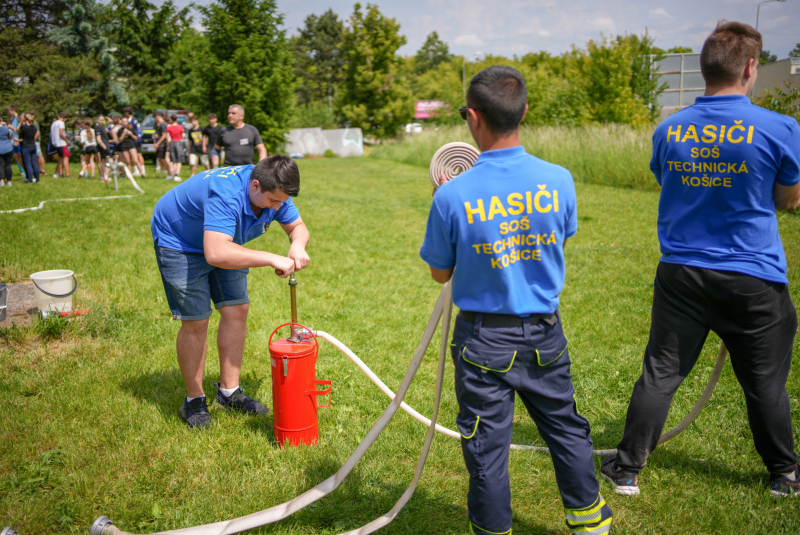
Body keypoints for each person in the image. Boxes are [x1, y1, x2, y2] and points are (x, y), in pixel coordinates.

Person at [601, 21, 800, 500]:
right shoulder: (781, 128)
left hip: (682, 275)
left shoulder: (669, 128)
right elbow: (790, 200)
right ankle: (785, 475)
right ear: (751, 67)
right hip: (753, 279)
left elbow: (668, 180)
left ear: (704, 67)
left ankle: (626, 469)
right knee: (765, 383)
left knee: (661, 373)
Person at [420, 66, 612, 535]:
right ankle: (589, 523)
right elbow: (556, 246)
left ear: (471, 117)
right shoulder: (559, 179)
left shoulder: (452, 195)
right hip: (545, 332)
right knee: (566, 429)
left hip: (482, 340)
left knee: (486, 446)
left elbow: (439, 272)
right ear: (524, 112)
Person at [150, 155, 311, 430]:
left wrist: (297, 245)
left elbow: (297, 226)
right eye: (274, 201)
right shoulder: (226, 194)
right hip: (179, 241)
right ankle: (194, 400)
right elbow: (215, 253)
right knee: (197, 320)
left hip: (226, 240)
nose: (278, 207)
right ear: (255, 185)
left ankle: (229, 392)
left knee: (237, 310)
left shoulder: (276, 188)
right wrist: (272, 258)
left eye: (282, 201)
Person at [123, 106, 146, 177]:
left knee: (136, 156)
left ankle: (139, 171)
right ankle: (141, 170)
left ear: (127, 113)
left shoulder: (131, 120)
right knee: (138, 155)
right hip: (138, 139)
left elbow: (130, 128)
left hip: (135, 140)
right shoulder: (134, 119)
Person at [18, 112, 40, 183]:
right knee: (34, 163)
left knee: (28, 163)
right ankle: (37, 178)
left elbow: (17, 130)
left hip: (25, 147)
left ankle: (30, 179)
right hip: (33, 146)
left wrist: (21, 122)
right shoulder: (34, 127)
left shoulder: (24, 127)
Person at [153, 113, 173, 181]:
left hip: (162, 144)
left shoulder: (162, 124)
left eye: (155, 118)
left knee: (163, 159)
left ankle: (170, 173)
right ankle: (169, 172)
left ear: (157, 116)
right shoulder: (161, 124)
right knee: (160, 159)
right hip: (161, 144)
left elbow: (164, 135)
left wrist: (157, 144)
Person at [50, 111, 70, 178]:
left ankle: (60, 173)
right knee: (66, 158)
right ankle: (67, 174)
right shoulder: (61, 123)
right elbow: (61, 133)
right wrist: (66, 141)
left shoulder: (54, 123)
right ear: (65, 118)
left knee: (61, 158)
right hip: (61, 143)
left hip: (55, 143)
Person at [166, 114, 185, 181]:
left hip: (172, 143)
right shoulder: (180, 127)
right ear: (176, 119)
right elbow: (182, 136)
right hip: (178, 142)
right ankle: (177, 174)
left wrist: (168, 145)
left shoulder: (169, 127)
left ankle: (173, 174)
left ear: (171, 120)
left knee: (173, 160)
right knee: (179, 160)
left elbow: (168, 137)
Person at [27, 110, 46, 176]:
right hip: (33, 141)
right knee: (36, 156)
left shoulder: (34, 123)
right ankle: (38, 169)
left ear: (33, 115)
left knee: (39, 155)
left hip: (36, 141)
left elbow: (37, 133)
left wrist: (33, 140)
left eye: (30, 115)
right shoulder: (30, 122)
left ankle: (43, 169)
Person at [95, 115, 111, 182]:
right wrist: (104, 147)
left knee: (104, 162)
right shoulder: (98, 127)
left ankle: (104, 177)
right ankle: (106, 176)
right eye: (100, 120)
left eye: (103, 120)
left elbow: (107, 132)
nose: (101, 121)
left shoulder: (101, 127)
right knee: (110, 162)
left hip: (105, 145)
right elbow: (98, 139)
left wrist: (104, 125)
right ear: (97, 119)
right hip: (104, 146)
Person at [0, 116, 14, 186]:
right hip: (8, 148)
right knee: (8, 165)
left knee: (1, 165)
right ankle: (9, 181)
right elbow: (10, 136)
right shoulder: (6, 128)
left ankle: (2, 181)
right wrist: (5, 126)